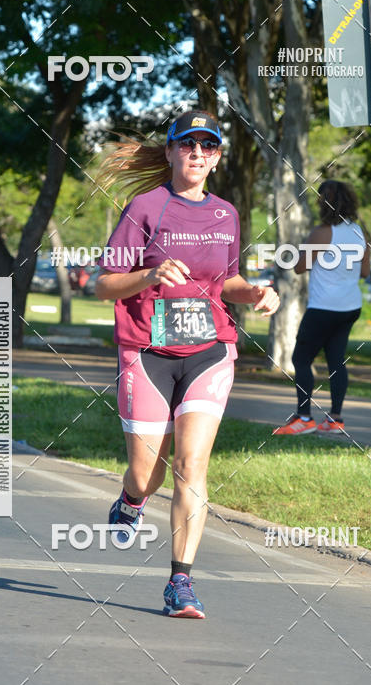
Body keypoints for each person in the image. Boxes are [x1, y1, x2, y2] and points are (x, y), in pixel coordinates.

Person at [95, 109, 280, 618]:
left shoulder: (226, 214)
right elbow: (105, 283)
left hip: (210, 350)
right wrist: (150, 275)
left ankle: (181, 582)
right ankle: (130, 501)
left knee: (192, 465)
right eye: (189, 144)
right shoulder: (144, 208)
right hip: (147, 351)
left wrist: (260, 292)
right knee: (145, 473)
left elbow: (229, 284)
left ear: (217, 158)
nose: (198, 153)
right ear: (173, 151)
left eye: (209, 146)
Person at [274, 180, 370, 436]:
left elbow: (299, 266)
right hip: (350, 307)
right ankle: (335, 420)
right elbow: (365, 271)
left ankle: (304, 418)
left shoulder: (322, 232)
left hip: (323, 307)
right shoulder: (361, 232)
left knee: (301, 359)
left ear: (324, 202)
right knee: (336, 361)